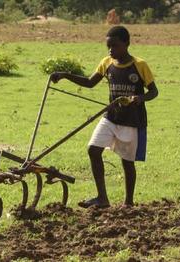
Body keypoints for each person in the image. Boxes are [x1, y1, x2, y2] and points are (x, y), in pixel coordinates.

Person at [50, 26, 159, 208]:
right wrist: (65, 75)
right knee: (93, 149)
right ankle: (102, 198)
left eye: (114, 46)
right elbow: (89, 82)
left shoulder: (140, 65)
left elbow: (154, 91)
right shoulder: (107, 62)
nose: (111, 50)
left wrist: (140, 98)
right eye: (108, 46)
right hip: (110, 117)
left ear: (126, 44)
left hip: (131, 120)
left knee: (127, 162)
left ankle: (128, 203)